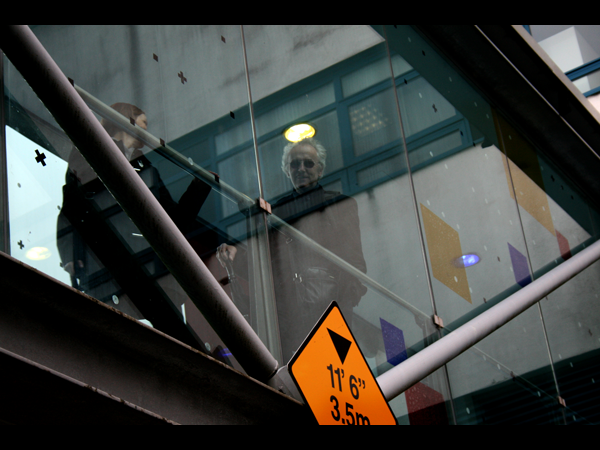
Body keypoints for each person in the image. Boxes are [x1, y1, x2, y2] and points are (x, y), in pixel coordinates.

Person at [218, 137, 367, 361]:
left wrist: (343, 305)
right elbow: (267, 265)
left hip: (332, 307)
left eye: (308, 163)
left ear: (320, 170)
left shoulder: (341, 206)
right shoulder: (275, 213)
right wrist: (237, 256)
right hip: (292, 314)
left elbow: (355, 264)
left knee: (332, 370)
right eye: (295, 164)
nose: (301, 169)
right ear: (287, 171)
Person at [57, 102, 210, 314]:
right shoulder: (91, 149)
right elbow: (72, 207)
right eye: (143, 121)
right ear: (127, 120)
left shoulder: (148, 169)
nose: (147, 129)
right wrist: (71, 257)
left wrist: (199, 187)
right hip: (108, 264)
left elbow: (174, 221)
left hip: (147, 270)